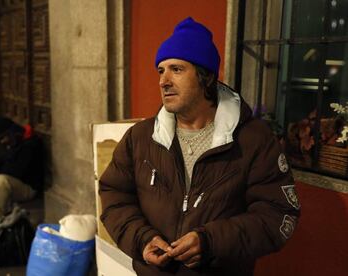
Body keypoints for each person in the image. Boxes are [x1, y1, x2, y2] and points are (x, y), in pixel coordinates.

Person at [99, 17, 300, 275]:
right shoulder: (139, 138)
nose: (163, 81)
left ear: (206, 77)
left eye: (177, 69)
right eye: (161, 70)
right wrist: (142, 239)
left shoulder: (254, 139)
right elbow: (114, 196)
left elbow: (279, 214)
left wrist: (211, 242)